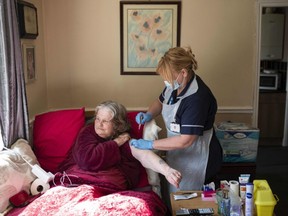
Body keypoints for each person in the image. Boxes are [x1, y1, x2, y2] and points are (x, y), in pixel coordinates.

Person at [130, 46, 223, 194]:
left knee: (191, 200)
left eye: (168, 79)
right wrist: (148, 114)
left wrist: (150, 144)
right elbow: (160, 102)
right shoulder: (175, 85)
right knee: (175, 195)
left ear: (183, 73)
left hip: (198, 157)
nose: (166, 82)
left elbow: (185, 140)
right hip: (178, 152)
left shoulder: (197, 98)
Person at [58, 100, 181, 192]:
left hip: (109, 188)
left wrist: (167, 171)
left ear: (118, 124)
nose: (99, 124)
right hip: (80, 183)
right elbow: (86, 160)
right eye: (97, 119)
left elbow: (144, 155)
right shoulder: (87, 132)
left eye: (105, 121)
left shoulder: (124, 137)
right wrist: (115, 143)